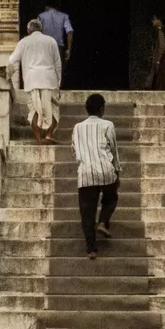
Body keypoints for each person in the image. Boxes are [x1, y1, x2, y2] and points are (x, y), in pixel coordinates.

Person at [71, 93, 119, 260]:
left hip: (85, 174)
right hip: (106, 170)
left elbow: (76, 152)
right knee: (111, 197)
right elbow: (113, 149)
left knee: (87, 212)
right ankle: (103, 222)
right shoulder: (108, 125)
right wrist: (117, 168)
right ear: (101, 109)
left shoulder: (77, 127)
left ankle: (92, 249)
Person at [7, 17, 63, 143]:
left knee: (34, 110)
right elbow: (57, 64)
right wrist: (59, 82)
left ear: (28, 30)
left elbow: (12, 60)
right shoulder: (51, 41)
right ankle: (48, 134)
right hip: (50, 80)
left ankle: (38, 140)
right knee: (53, 108)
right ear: (41, 29)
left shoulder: (23, 42)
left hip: (32, 80)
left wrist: (8, 75)